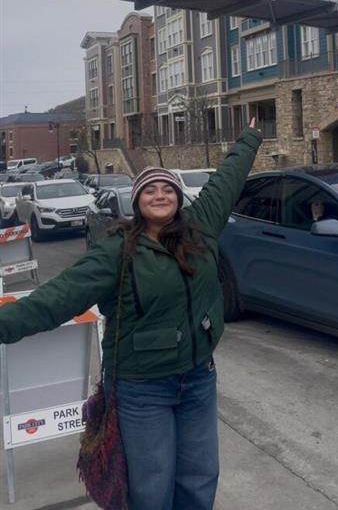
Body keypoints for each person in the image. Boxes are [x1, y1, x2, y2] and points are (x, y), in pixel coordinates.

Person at [0, 121, 263, 510]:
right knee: (151, 487)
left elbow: (228, 179)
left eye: (168, 189)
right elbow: (58, 296)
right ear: (137, 201)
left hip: (198, 378)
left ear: (178, 197)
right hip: (143, 387)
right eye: (150, 190)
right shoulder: (117, 250)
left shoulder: (200, 228)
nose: (160, 195)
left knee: (199, 477)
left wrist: (249, 138)